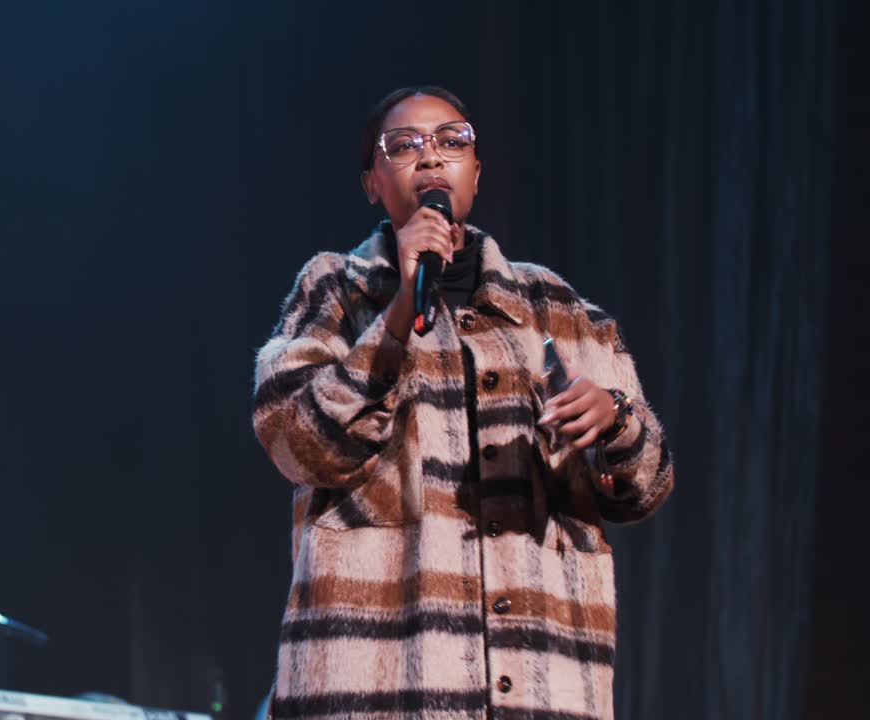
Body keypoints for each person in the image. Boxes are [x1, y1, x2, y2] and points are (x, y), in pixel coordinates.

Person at [252, 86, 674, 720]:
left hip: (544, 681)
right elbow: (297, 442)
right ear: (372, 181)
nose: (431, 159)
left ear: (476, 171)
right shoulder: (337, 290)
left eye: (452, 142)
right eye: (405, 147)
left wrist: (615, 422)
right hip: (382, 685)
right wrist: (396, 315)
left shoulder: (555, 307)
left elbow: (643, 486)